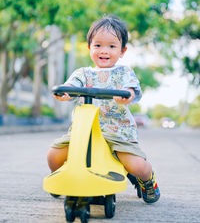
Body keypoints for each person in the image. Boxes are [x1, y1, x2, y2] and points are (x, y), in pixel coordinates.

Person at [47, 15, 160, 204]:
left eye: (112, 46)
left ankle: (148, 181)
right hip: (84, 132)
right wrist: (65, 93)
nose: (104, 51)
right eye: (98, 45)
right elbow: (71, 86)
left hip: (117, 132)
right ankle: (61, 178)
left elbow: (131, 90)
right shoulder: (83, 73)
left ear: (122, 50)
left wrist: (126, 94)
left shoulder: (124, 73)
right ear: (89, 47)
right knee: (53, 154)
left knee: (138, 166)